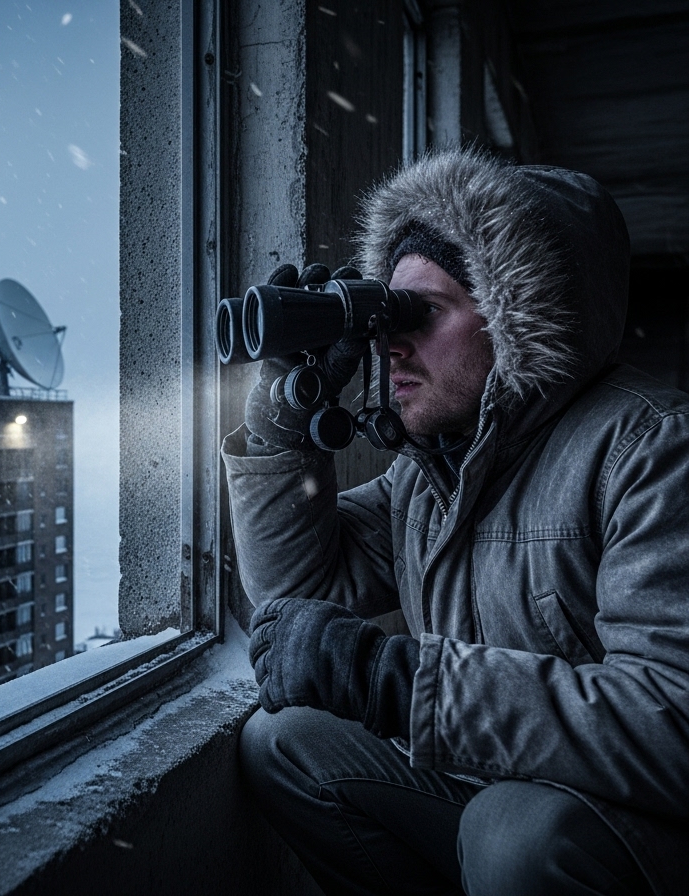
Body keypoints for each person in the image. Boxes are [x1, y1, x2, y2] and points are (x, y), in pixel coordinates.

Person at [222, 148, 689, 896]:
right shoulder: (432, 471)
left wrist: (401, 681)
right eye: (385, 315)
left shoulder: (649, 447)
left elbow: (673, 722)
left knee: (510, 834)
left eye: (422, 313)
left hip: (626, 825)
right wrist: (285, 423)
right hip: (485, 786)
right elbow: (299, 592)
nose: (388, 343)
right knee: (283, 742)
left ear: (519, 316)